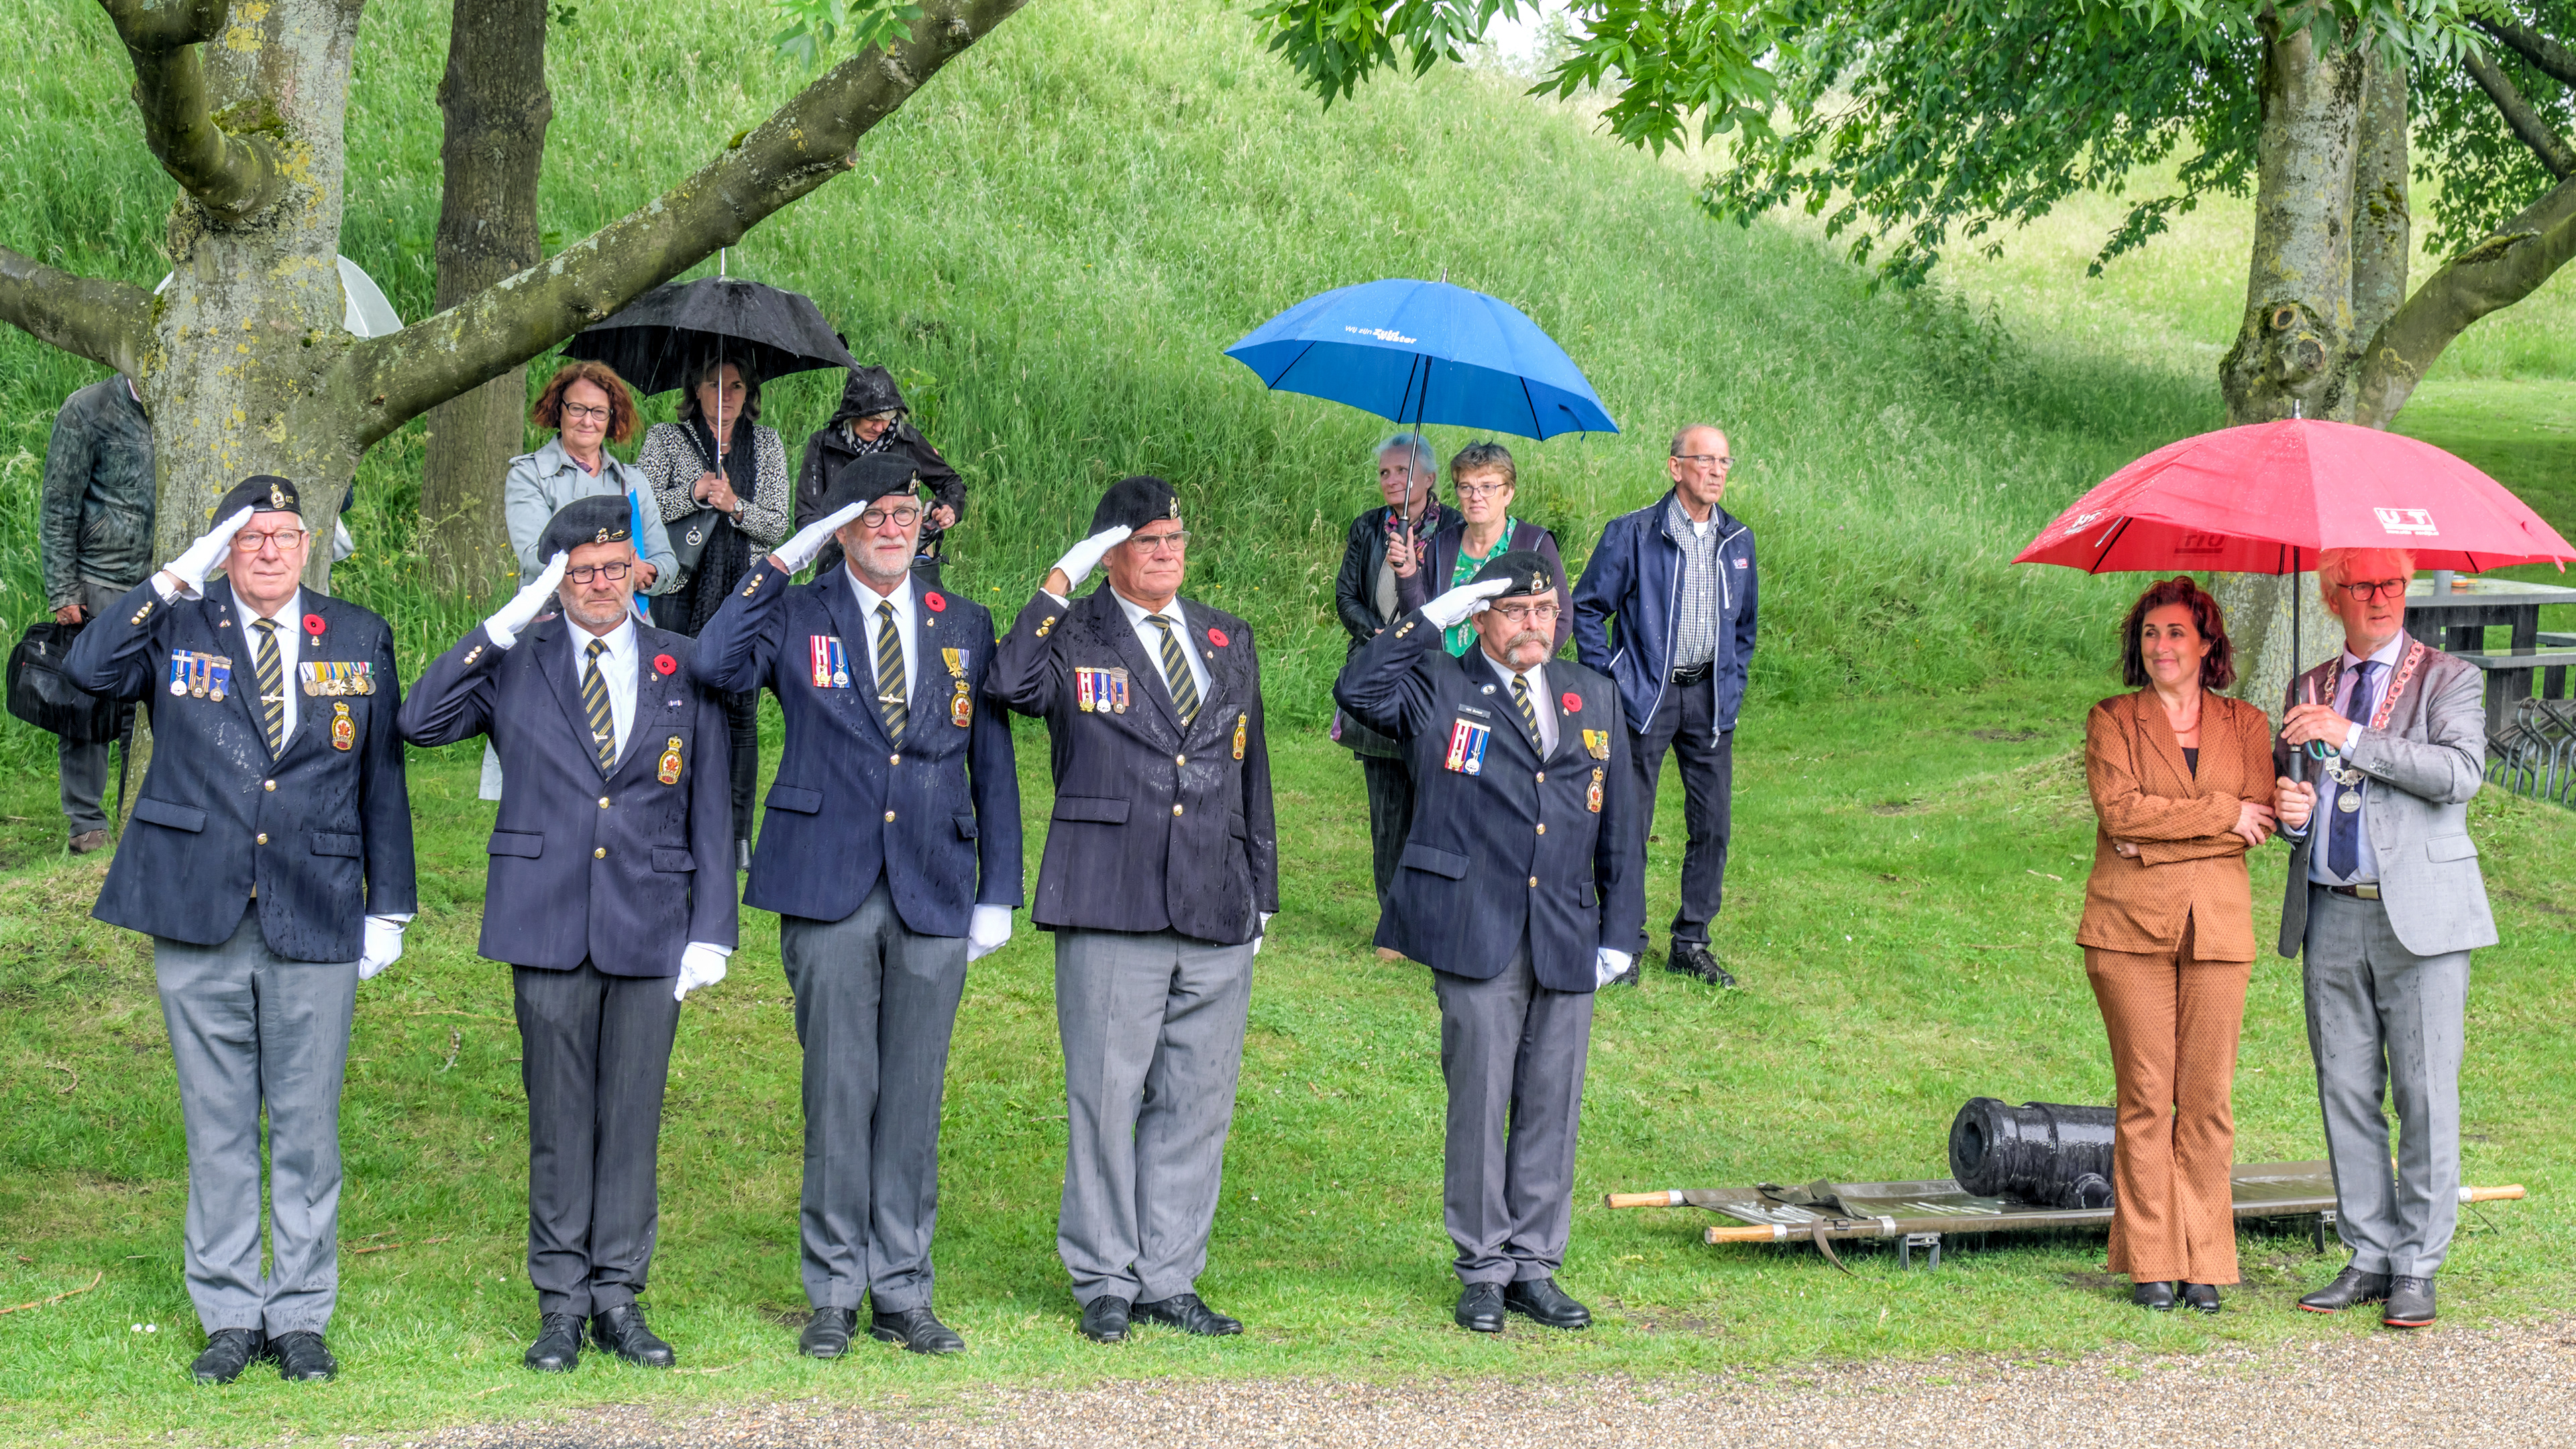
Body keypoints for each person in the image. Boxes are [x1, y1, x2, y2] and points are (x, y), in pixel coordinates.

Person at [62, 475, 415, 1385]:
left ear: (308, 545)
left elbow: (381, 779)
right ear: (223, 548)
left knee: (307, 1128)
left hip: (318, 905)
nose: (267, 550)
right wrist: (175, 576)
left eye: (284, 535)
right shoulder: (178, 624)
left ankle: (297, 1313)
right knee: (216, 1126)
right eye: (248, 536)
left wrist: (392, 906)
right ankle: (227, 1310)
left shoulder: (358, 634)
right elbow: (85, 671)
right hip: (197, 904)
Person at [693, 453, 1022, 1359]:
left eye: (904, 512)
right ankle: (835, 1291)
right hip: (827, 879)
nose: (891, 526)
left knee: (914, 1098)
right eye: (871, 514)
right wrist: (782, 558)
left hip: (933, 880)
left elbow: (990, 760)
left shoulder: (965, 621)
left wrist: (1000, 889)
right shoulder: (798, 613)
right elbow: (716, 663)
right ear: (839, 528)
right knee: (839, 1093)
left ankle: (904, 1292)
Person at [397, 496, 737, 1373]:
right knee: (558, 1116)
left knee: (631, 1116)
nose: (598, 584)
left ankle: (618, 1293)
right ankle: (560, 1301)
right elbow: (420, 719)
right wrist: (506, 621)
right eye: (579, 572)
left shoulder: (683, 663)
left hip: (652, 919)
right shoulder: (521, 658)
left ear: (639, 572)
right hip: (544, 917)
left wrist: (714, 930)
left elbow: (711, 805)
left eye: (612, 568)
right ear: (555, 581)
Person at [987, 475, 1277, 1345]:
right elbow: (1006, 685)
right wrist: (1054, 584)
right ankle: (1105, 1277)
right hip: (1110, 897)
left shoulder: (1228, 636)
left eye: (1175, 538)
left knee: (1197, 1098)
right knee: (1108, 1099)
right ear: (1109, 551)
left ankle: (1167, 1277)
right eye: (1147, 540)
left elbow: (1250, 769)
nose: (1167, 553)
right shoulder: (1075, 632)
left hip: (1216, 897)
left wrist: (1261, 891)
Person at [1336, 551, 1643, 1333]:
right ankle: (1482, 1265)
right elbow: (1358, 689)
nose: (1534, 624)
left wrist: (1621, 931)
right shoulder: (1440, 682)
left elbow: (1622, 827)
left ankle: (1535, 1267)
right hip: (1476, 926)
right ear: (1481, 620)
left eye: (1545, 611)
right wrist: (1431, 616)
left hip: (1567, 929)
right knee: (1479, 1102)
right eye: (1515, 611)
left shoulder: (1592, 694)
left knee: (1551, 1104)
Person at [2271, 547, 2493, 1332]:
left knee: (2426, 1094)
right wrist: (2291, 811)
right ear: (2333, 596)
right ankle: (2368, 1251)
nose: (2382, 598)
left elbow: (2460, 772)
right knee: (2345, 1091)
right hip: (2330, 908)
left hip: (2425, 918)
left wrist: (2353, 736)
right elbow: (2295, 778)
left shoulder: (2449, 678)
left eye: (2393, 584)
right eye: (2364, 586)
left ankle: (2418, 1266)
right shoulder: (2307, 685)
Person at [2076, 577, 2275, 1314]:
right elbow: (2120, 813)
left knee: (2208, 1102)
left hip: (2219, 930)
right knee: (2145, 1099)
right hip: (2128, 933)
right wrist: (2222, 815)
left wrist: (2157, 837)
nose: (2161, 646)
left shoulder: (2248, 725)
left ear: (2207, 644)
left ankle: (2206, 1263)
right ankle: (2153, 1261)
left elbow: (2259, 823)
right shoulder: (2113, 720)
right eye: (2150, 633)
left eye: (2176, 633)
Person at [1570, 425, 1758, 989]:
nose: (1717, 472)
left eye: (1725, 461)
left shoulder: (1738, 540)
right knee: (1629, 823)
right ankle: (1624, 943)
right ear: (1676, 467)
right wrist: (1611, 680)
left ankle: (1692, 942)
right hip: (1645, 695)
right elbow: (1586, 610)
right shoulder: (1633, 533)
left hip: (1709, 699)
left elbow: (1744, 628)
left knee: (1713, 824)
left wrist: (1732, 685)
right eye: (1705, 460)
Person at [638, 356, 794, 866]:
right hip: (680, 588)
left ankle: (736, 834)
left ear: (749, 393)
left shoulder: (767, 444)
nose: (725, 395)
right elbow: (638, 510)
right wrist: (694, 492)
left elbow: (776, 528)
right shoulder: (666, 439)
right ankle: (669, 817)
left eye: (736, 386)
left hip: (742, 595)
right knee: (673, 704)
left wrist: (736, 506)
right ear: (696, 390)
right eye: (714, 385)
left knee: (740, 710)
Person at [1334, 432, 1460, 943]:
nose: (1391, 480)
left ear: (1429, 479)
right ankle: (1394, 917)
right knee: (1386, 805)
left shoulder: (1454, 529)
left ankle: (1434, 915)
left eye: (1402, 472)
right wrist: (1379, 637)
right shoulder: (1367, 528)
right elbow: (1347, 596)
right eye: (1384, 472)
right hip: (1378, 675)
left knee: (1435, 799)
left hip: (1433, 675)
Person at [38, 374, 152, 855]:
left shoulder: (187, 402)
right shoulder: (89, 408)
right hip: (99, 581)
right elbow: (59, 504)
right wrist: (64, 588)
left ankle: (139, 813)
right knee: (85, 707)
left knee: (147, 710)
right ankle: (86, 823)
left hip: (163, 582)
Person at [503, 361, 677, 594]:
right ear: (558, 409)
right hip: (556, 620)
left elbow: (666, 560)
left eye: (599, 412)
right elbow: (536, 558)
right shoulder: (529, 475)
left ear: (611, 417)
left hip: (626, 620)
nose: (588, 421)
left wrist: (647, 571)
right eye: (577, 408)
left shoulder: (633, 481)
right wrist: (622, 569)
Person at [792, 364, 965, 584]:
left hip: (902, 564)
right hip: (840, 565)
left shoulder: (906, 439)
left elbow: (951, 483)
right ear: (852, 415)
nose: (881, 427)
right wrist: (851, 541)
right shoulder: (823, 445)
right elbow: (808, 516)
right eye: (873, 419)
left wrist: (950, 507)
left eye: (889, 418)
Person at [1395, 441, 1570, 657]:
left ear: (1508, 493)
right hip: (1446, 679)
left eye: (1488, 487)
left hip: (1507, 679)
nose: (1475, 497)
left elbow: (1561, 619)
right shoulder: (1442, 545)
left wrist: (1520, 665)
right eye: (1466, 487)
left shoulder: (1534, 543)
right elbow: (1420, 619)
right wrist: (1408, 575)